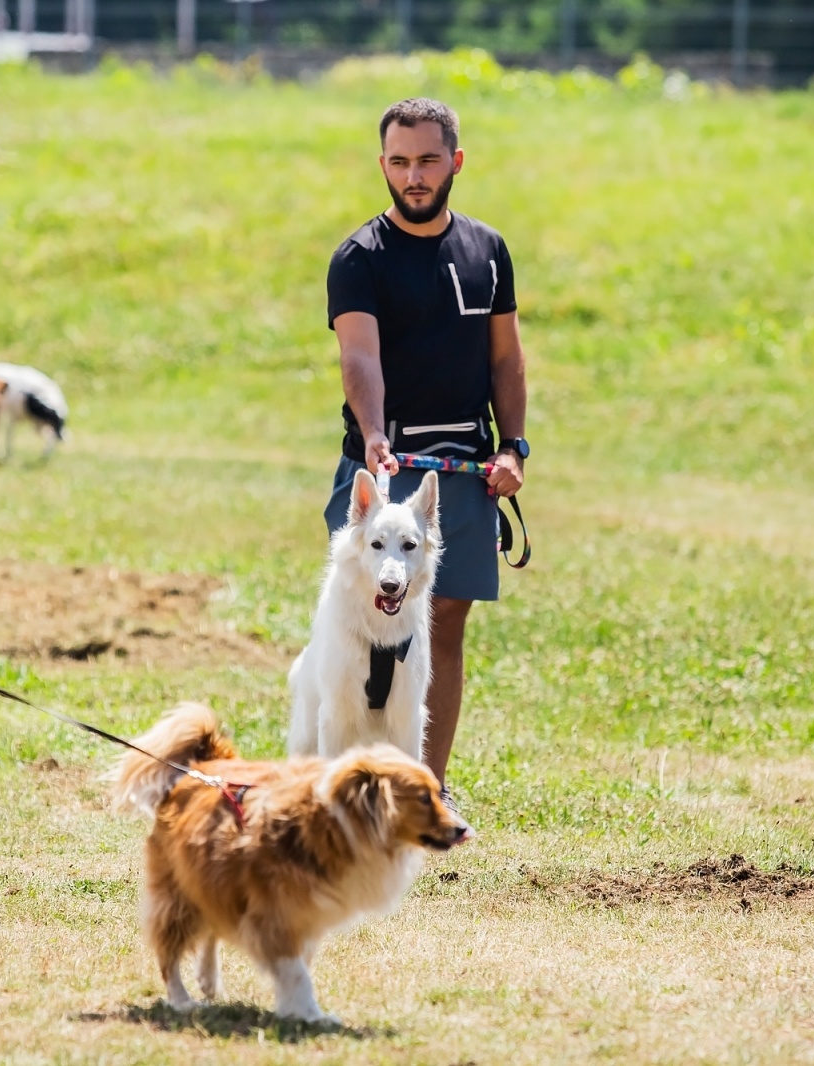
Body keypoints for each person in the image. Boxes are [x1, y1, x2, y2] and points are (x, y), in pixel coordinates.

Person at [324, 97, 529, 812]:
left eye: (428, 161)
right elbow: (359, 359)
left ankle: (423, 793)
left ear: (455, 163)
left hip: (465, 473)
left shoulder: (488, 251)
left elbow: (506, 361)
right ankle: (349, 784)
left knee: (444, 625)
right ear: (383, 164)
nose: (414, 177)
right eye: (400, 162)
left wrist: (514, 447)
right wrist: (375, 435)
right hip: (386, 469)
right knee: (366, 622)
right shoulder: (360, 258)